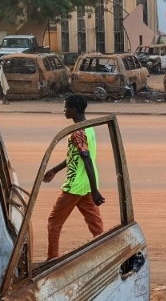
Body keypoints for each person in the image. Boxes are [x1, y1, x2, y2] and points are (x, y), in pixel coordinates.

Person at [44, 94, 104, 260]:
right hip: (86, 185)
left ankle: (52, 259)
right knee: (96, 226)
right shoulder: (89, 127)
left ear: (74, 109)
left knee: (54, 223)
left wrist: (95, 191)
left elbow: (87, 160)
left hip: (75, 186)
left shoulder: (77, 132)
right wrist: (55, 170)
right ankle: (105, 254)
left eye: (66, 107)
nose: (64, 110)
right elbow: (75, 156)